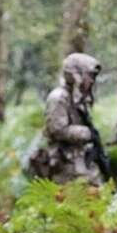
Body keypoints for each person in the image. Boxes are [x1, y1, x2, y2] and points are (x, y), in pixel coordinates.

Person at [27, 53, 110, 185]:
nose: (92, 80)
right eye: (90, 75)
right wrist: (87, 133)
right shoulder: (59, 97)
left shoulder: (78, 98)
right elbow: (57, 129)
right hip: (63, 162)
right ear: (76, 75)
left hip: (79, 159)